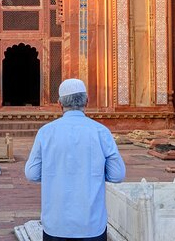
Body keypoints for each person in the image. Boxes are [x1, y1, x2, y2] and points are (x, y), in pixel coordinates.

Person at [25, 78, 126, 241]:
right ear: (87, 101)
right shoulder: (101, 132)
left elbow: (32, 174)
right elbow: (117, 175)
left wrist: (55, 172)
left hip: (56, 224)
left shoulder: (46, 132)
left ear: (59, 103)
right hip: (91, 224)